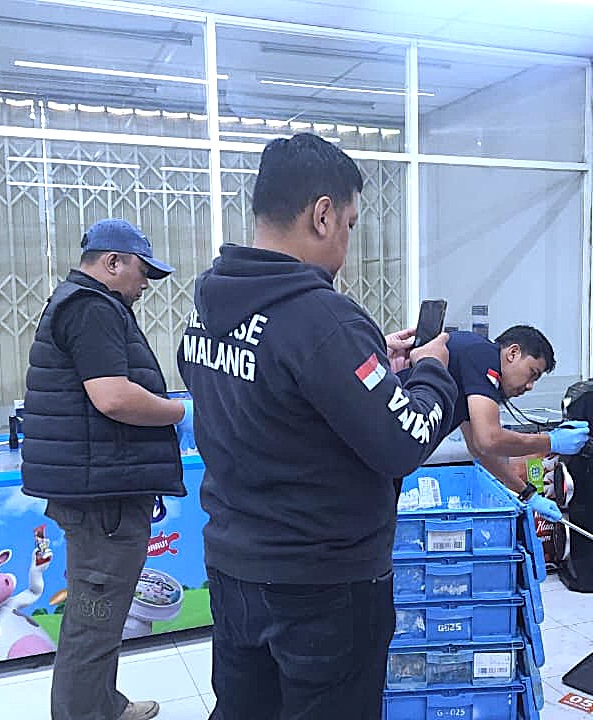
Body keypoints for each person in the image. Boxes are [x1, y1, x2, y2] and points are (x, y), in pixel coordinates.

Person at [177, 133, 458, 720]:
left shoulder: (209, 308)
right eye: (350, 224)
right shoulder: (321, 318)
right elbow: (404, 440)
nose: (347, 241)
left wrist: (367, 370)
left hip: (234, 569)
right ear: (322, 215)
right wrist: (431, 370)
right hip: (323, 585)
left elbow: (272, 397)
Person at [21, 218, 192, 720]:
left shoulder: (85, 303)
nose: (146, 284)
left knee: (104, 612)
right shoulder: (91, 308)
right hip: (103, 500)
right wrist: (181, 412)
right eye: (143, 271)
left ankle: (104, 704)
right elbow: (113, 397)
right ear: (112, 262)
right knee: (93, 620)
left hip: (101, 490)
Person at [438, 326, 591, 521]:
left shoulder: (471, 379)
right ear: (513, 353)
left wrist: (529, 495)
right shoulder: (483, 355)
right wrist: (551, 441)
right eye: (532, 373)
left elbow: (481, 450)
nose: (530, 386)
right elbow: (489, 439)